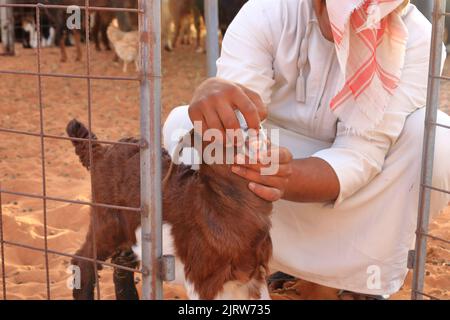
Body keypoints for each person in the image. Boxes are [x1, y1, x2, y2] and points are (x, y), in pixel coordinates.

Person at [163, 0, 450, 298]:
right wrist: (215, 99)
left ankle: (343, 278)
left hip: (351, 189)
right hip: (264, 176)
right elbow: (240, 124)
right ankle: (241, 274)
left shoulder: (417, 40)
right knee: (183, 127)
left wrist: (285, 177)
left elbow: (361, 154)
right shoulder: (267, 11)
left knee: (438, 143)